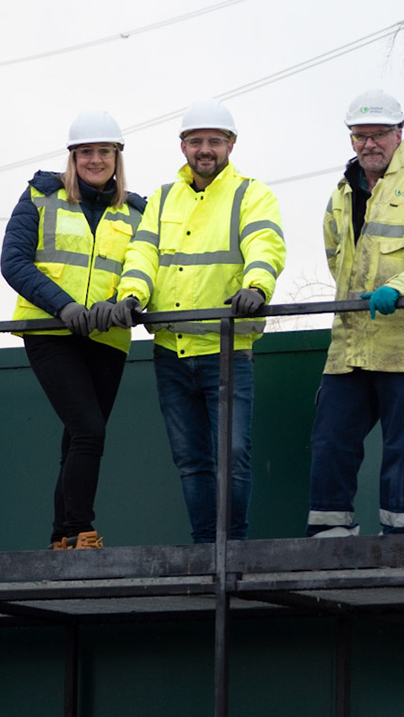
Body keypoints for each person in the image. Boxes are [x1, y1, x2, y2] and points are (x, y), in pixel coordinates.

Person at [114, 98, 285, 543]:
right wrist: (131, 295)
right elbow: (143, 252)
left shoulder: (251, 193)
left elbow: (265, 243)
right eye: (195, 142)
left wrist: (257, 286)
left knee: (232, 455)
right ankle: (207, 548)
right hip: (171, 350)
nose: (204, 149)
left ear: (230, 145)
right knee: (190, 460)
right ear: (183, 147)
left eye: (213, 141)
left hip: (226, 349)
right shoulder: (164, 198)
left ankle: (234, 549)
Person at [305, 90, 404, 538]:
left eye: (378, 135)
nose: (369, 144)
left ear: (399, 134)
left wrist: (399, 286)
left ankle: (397, 542)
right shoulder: (341, 195)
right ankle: (329, 540)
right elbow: (339, 258)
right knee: (330, 442)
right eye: (360, 136)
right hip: (349, 349)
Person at [0, 109, 149, 550]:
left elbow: (143, 268)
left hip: (108, 337)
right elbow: (14, 261)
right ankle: (83, 532)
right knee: (89, 430)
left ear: (117, 157)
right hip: (50, 333)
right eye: (86, 152)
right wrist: (63, 307)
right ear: (72, 156)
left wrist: (121, 302)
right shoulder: (40, 196)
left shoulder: (138, 211)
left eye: (104, 151)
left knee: (77, 438)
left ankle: (61, 537)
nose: (95, 160)